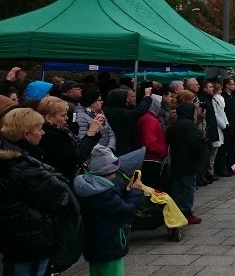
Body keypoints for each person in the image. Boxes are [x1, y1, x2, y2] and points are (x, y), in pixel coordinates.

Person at [0, 108, 74, 276]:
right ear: (26, 135)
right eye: (39, 129)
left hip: (18, 238)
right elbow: (59, 197)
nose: (43, 133)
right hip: (32, 238)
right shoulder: (24, 165)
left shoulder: (13, 158)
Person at [74, 145, 144, 276]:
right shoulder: (105, 194)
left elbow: (113, 205)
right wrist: (135, 191)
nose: (116, 175)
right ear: (107, 172)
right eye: (114, 172)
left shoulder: (90, 188)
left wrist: (126, 192)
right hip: (109, 247)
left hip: (94, 246)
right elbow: (126, 211)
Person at [38, 96, 103, 182]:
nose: (67, 118)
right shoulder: (50, 136)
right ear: (48, 118)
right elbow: (75, 158)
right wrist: (91, 133)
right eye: (63, 115)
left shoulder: (61, 130)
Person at [168, 97, 203, 224]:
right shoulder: (188, 124)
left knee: (178, 188)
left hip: (177, 160)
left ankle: (177, 209)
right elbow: (194, 143)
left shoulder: (176, 123)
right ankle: (186, 211)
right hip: (188, 161)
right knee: (188, 187)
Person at [136, 94, 168, 189]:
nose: (160, 107)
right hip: (151, 158)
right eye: (159, 104)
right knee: (151, 186)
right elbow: (150, 142)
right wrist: (162, 152)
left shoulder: (151, 118)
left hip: (152, 157)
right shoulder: (149, 120)